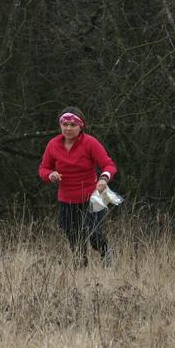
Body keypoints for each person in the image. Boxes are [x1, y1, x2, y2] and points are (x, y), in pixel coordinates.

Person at [38, 107, 117, 266]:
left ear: (81, 126)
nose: (68, 128)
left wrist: (103, 179)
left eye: (73, 125)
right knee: (75, 239)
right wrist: (50, 175)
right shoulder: (53, 144)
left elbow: (109, 165)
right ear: (60, 125)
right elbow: (43, 168)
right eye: (65, 124)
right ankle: (81, 268)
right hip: (66, 199)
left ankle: (106, 254)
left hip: (92, 196)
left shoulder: (90, 143)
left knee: (94, 234)